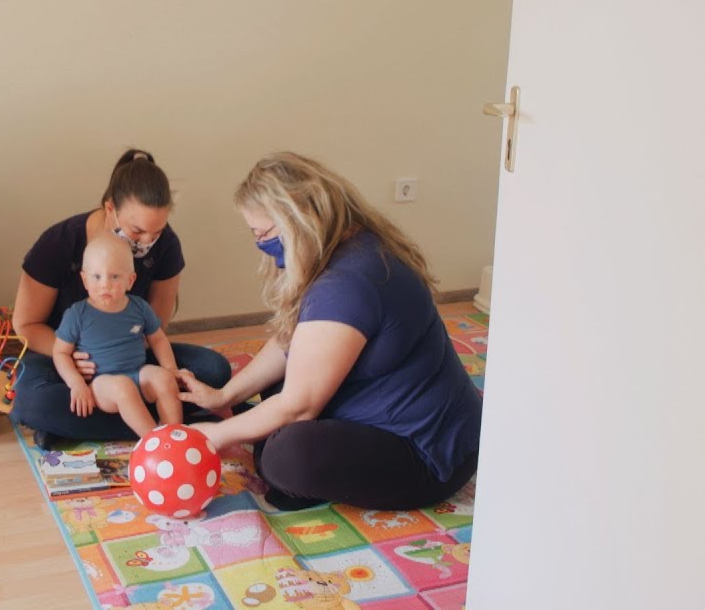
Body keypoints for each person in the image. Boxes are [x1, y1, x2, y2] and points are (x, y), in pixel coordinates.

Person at [178, 152, 482, 511]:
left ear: (297, 220)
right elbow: (292, 340)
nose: (261, 244)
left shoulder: (346, 283)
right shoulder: (352, 246)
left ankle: (292, 466)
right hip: (406, 419)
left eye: (264, 234)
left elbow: (298, 406)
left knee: (286, 457)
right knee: (278, 387)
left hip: (429, 455)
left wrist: (216, 435)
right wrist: (224, 396)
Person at [9, 149, 231, 448]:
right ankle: (159, 424)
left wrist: (162, 371)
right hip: (64, 360)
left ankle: (76, 425)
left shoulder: (166, 246)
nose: (147, 241)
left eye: (157, 231)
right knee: (29, 399)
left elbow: (156, 328)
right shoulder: (59, 242)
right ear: (110, 207)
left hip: (131, 358)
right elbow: (26, 325)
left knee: (214, 370)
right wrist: (73, 361)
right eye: (137, 231)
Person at [54, 235, 184, 436]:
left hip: (138, 373)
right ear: (85, 280)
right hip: (102, 384)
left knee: (164, 379)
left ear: (130, 280)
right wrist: (76, 383)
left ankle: (175, 435)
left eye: (114, 276)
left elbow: (158, 339)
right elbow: (60, 353)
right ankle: (153, 441)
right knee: (123, 387)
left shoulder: (139, 307)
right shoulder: (77, 314)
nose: (105, 284)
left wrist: (171, 369)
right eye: (97, 277)